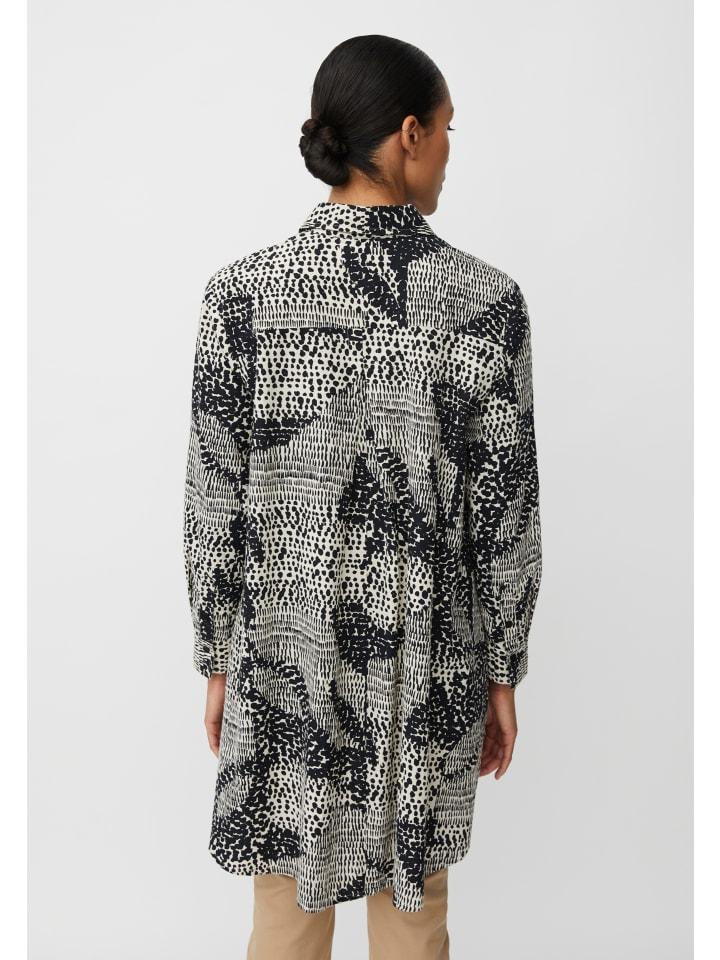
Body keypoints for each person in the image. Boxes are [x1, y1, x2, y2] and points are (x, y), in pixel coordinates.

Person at [182, 33, 543, 960]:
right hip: (426, 663)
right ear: (410, 134)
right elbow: (505, 514)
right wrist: (502, 668)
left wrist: (218, 655)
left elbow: (213, 498)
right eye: (448, 129)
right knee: (416, 919)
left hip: (283, 656)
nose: (451, 151)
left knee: (283, 917)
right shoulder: (484, 303)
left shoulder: (242, 296)